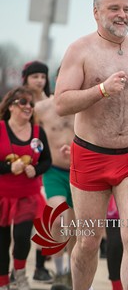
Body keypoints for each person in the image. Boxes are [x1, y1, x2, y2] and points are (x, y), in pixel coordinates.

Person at [54, 0, 128, 290]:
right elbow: (61, 102)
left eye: (127, 9)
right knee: (89, 239)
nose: (122, 15)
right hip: (91, 155)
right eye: (114, 8)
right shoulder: (81, 50)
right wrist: (101, 89)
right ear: (96, 13)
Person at [0, 86, 52, 290]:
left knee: (22, 238)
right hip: (2, 195)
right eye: (22, 102)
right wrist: (7, 167)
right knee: (2, 242)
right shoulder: (1, 128)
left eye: (31, 103)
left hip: (27, 196)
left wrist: (37, 170)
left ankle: (20, 275)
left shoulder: (39, 132)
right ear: (11, 106)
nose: (28, 107)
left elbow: (47, 160)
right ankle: (3, 282)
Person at [34, 66, 76, 290]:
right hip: (54, 171)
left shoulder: (84, 108)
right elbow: (27, 134)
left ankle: (71, 271)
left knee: (76, 226)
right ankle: (59, 272)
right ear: (56, 79)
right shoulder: (41, 108)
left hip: (80, 173)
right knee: (58, 219)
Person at [21, 60, 55, 284]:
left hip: (51, 165)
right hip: (26, 165)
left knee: (47, 218)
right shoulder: (20, 103)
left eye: (43, 76)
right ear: (26, 78)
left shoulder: (54, 102)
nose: (40, 80)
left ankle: (40, 266)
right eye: (35, 76)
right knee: (23, 221)